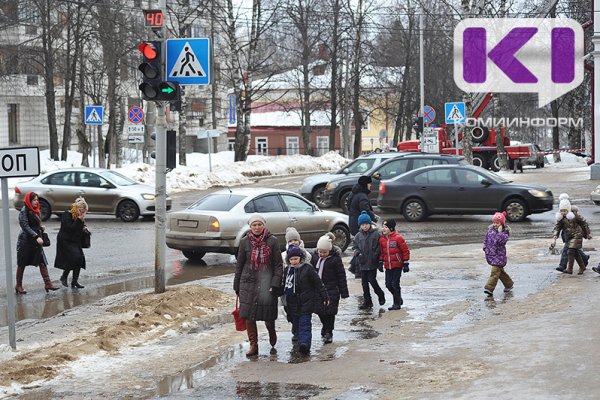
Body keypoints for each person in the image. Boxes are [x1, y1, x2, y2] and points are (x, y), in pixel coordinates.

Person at [233, 213, 284, 357]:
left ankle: (271, 332)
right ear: (250, 227)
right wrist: (236, 284)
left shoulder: (272, 241)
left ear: (264, 225)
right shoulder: (244, 242)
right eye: (254, 225)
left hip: (266, 282)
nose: (257, 227)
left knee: (268, 315)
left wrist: (275, 283)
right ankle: (253, 345)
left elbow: (278, 265)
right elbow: (240, 264)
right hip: (248, 282)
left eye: (259, 224)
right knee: (249, 316)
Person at [283, 245, 329, 354]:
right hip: (292, 303)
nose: (294, 262)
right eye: (291, 259)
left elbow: (318, 283)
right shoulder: (287, 270)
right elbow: (284, 285)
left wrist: (325, 295)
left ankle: (305, 344)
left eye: (296, 259)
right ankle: (300, 341)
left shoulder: (307, 269)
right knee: (296, 324)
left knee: (305, 324)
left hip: (306, 302)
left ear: (300, 258)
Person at [15, 192, 59, 294]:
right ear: (29, 201)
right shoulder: (24, 211)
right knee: (22, 264)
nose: (36, 202)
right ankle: (18, 285)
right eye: (34, 200)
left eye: (37, 200)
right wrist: (36, 236)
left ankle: (48, 283)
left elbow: (34, 223)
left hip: (35, 242)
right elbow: (25, 226)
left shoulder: (35, 209)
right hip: (26, 242)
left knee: (42, 262)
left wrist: (40, 227)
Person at [310, 233, 349, 344]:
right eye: (320, 252)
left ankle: (329, 331)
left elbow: (341, 276)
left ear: (329, 250)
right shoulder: (314, 257)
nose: (321, 254)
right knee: (320, 311)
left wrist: (344, 292)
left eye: (324, 252)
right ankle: (325, 326)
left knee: (330, 312)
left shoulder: (335, 259)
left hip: (331, 289)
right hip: (318, 289)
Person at [280, 227, 312, 343]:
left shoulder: (306, 255)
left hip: (303, 290)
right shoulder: (283, 256)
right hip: (289, 289)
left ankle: (301, 335)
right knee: (291, 311)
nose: (293, 242)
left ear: (299, 240)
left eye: (295, 240)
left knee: (303, 313)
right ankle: (295, 328)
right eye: (290, 241)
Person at [352, 211, 386, 309]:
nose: (365, 226)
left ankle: (380, 294)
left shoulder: (376, 234)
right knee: (364, 283)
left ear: (370, 224)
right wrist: (358, 253)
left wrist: (377, 257)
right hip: (362, 262)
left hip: (372, 262)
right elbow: (354, 246)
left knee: (372, 280)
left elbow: (380, 247)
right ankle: (367, 301)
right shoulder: (358, 236)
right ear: (360, 225)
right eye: (363, 224)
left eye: (366, 224)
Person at [54, 197, 89, 289]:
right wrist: (79, 220)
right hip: (65, 240)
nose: (81, 213)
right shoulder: (67, 214)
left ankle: (74, 281)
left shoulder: (80, 218)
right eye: (80, 211)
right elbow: (70, 228)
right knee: (75, 257)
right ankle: (64, 276)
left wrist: (84, 228)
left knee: (80, 258)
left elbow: (79, 229)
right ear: (76, 208)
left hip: (75, 241)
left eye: (83, 212)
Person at [379, 219, 410, 310]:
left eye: (386, 227)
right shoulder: (382, 239)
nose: (383, 229)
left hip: (397, 265)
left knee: (395, 284)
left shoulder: (398, 238)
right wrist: (380, 262)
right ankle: (398, 298)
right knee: (388, 284)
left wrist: (405, 263)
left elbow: (405, 251)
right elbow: (382, 252)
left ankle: (396, 304)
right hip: (388, 265)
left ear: (391, 228)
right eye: (383, 227)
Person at [553, 198, 591, 275]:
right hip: (569, 237)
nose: (563, 212)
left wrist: (588, 233)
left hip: (577, 235)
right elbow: (557, 227)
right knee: (575, 252)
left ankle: (570, 269)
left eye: (565, 211)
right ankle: (582, 266)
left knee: (570, 251)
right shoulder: (561, 219)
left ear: (568, 210)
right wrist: (555, 235)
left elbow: (584, 223)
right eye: (562, 211)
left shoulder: (574, 216)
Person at [483, 212, 513, 296]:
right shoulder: (490, 230)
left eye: (497, 223)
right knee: (500, 272)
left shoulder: (504, 233)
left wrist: (500, 233)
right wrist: (485, 247)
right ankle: (509, 284)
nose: (495, 224)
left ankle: (489, 288)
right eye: (494, 222)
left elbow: (502, 242)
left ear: (502, 223)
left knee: (494, 272)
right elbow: (486, 239)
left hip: (499, 256)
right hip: (490, 254)